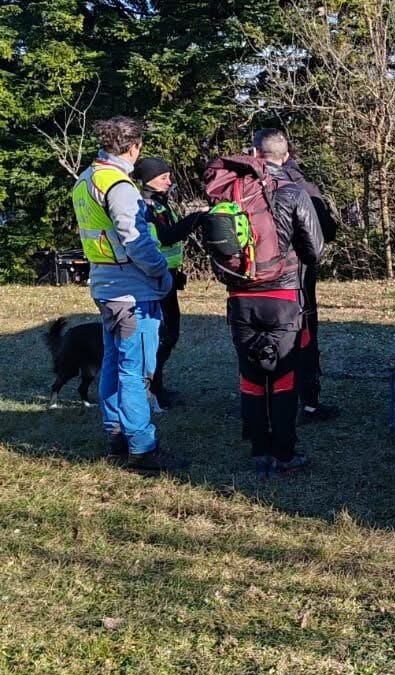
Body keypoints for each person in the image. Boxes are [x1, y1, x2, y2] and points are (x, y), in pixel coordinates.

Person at [204, 128, 324, 476]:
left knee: (251, 374)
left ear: (252, 152)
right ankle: (284, 454)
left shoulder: (229, 192)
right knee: (283, 374)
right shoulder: (292, 192)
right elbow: (314, 250)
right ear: (284, 156)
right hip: (284, 295)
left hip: (240, 297)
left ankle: (259, 450)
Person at [70, 116, 180, 473]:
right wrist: (161, 273)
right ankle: (142, 448)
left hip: (105, 285)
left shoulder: (86, 179)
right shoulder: (119, 184)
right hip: (132, 292)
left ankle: (116, 436)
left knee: (114, 364)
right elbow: (136, 239)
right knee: (136, 371)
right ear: (135, 147)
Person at [131, 155, 207, 407]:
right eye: (163, 177)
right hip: (153, 279)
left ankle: (157, 385)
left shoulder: (162, 202)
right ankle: (152, 390)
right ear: (149, 179)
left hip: (168, 277)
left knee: (169, 334)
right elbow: (166, 236)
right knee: (161, 335)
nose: (169, 180)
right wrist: (196, 218)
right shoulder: (145, 205)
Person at [278, 139, 339, 421]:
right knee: (303, 335)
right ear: (289, 154)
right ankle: (309, 401)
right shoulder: (301, 186)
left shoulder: (245, 186)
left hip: (256, 280)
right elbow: (327, 229)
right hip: (297, 275)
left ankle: (265, 400)